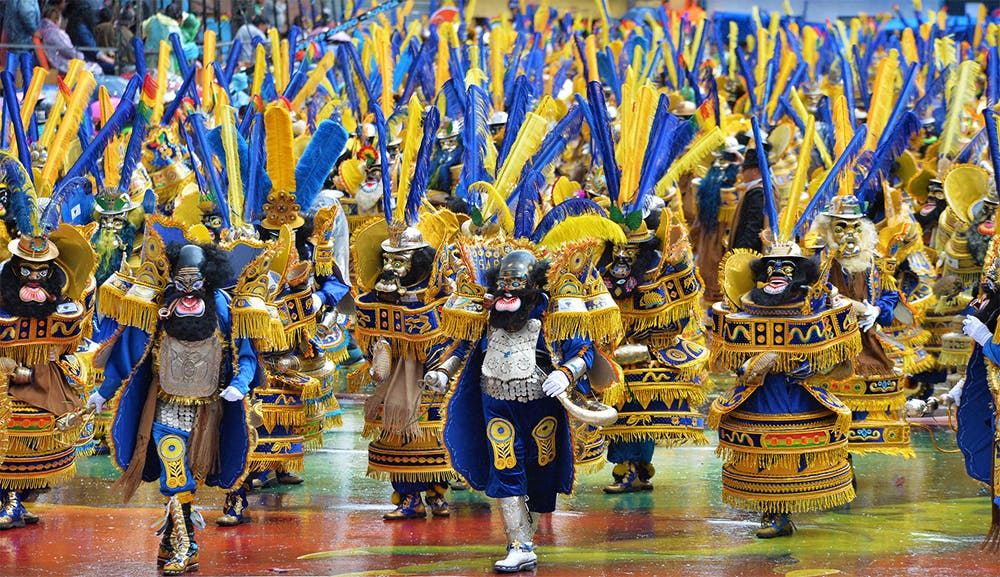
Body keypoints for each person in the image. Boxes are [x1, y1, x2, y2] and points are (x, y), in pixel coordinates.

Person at [37, 3, 104, 74]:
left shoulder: (45, 32)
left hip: (58, 61)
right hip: (63, 65)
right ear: (57, 20)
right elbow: (70, 52)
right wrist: (80, 56)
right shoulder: (55, 34)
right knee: (97, 70)